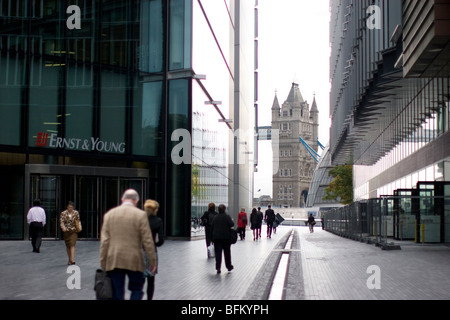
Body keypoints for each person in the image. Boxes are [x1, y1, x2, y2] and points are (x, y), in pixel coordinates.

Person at [100, 189, 157, 300]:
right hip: (134, 259)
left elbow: (105, 241)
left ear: (122, 199)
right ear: (136, 201)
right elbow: (148, 241)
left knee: (117, 292)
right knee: (136, 289)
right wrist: (152, 261)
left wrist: (103, 260)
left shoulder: (109, 215)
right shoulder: (141, 215)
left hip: (114, 259)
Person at [143, 199, 164, 300]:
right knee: (151, 280)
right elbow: (161, 240)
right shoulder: (158, 221)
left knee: (140, 278)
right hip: (151, 252)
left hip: (140, 252)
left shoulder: (140, 220)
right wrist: (155, 244)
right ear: (155, 209)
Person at [211, 204, 234, 274]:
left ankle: (218, 267)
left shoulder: (215, 217)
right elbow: (232, 224)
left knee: (218, 253)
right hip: (226, 238)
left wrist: (212, 238)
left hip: (217, 238)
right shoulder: (227, 217)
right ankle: (229, 266)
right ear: (224, 209)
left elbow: (212, 227)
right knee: (227, 253)